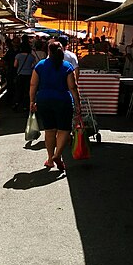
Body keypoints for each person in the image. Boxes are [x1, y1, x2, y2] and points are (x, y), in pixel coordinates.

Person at [29, 41, 81, 170]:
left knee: (49, 130)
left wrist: (32, 101)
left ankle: (50, 159)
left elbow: (33, 85)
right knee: (64, 130)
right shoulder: (67, 66)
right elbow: (73, 87)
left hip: (44, 100)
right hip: (63, 101)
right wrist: (78, 103)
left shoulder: (40, 65)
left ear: (48, 51)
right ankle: (57, 155)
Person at [12, 40, 36, 110]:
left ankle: (17, 104)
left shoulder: (18, 56)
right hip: (29, 75)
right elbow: (33, 65)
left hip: (20, 74)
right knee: (27, 91)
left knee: (19, 90)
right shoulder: (31, 56)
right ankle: (26, 105)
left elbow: (15, 65)